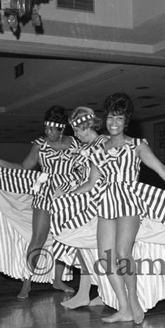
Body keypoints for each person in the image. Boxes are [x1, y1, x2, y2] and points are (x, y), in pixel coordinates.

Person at [54, 93, 165, 324]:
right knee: (106, 260)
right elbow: (90, 184)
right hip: (106, 203)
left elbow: (162, 171)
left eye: (119, 118)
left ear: (126, 122)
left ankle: (134, 302)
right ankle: (124, 307)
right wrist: (65, 193)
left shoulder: (137, 146)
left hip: (128, 202)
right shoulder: (98, 150)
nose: (113, 123)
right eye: (110, 118)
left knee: (123, 254)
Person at [0, 105, 79, 298]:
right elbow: (23, 166)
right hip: (45, 195)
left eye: (51, 129)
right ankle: (27, 282)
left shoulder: (76, 144)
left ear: (61, 128)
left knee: (64, 239)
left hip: (68, 196)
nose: (47, 132)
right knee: (38, 239)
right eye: (46, 128)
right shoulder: (40, 145)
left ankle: (58, 280)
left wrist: (71, 185)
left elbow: (84, 171)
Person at [55, 106, 108, 309]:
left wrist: (68, 195)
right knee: (86, 248)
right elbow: (82, 176)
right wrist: (66, 188)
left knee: (87, 246)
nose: (75, 135)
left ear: (86, 127)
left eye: (77, 131)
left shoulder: (101, 144)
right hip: (88, 199)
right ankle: (93, 293)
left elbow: (93, 182)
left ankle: (92, 293)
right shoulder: (90, 146)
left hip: (100, 201)